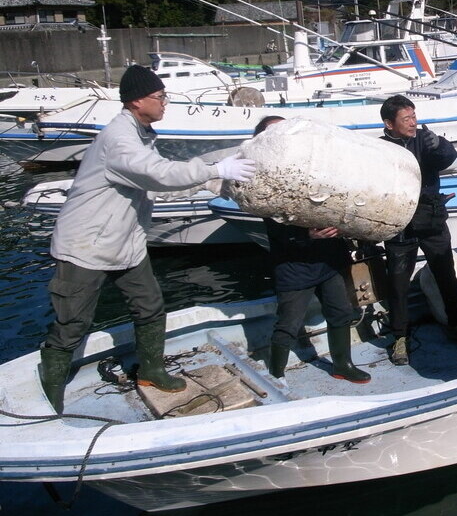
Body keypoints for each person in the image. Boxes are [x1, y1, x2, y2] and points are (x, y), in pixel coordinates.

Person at [39, 64, 256, 414]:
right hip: (87, 245)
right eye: (160, 97)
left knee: (150, 306)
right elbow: (156, 172)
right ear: (138, 101)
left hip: (125, 242)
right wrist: (215, 169)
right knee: (73, 323)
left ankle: (151, 370)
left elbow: (157, 179)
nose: (165, 103)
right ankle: (51, 394)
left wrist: (213, 180)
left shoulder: (140, 134)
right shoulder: (119, 139)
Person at [252, 116, 370, 384]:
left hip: (328, 261)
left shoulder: (316, 166)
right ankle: (276, 374)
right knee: (289, 324)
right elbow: (275, 230)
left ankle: (343, 364)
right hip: (293, 267)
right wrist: (307, 235)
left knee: (340, 312)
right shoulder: (263, 181)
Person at [379, 94, 457, 366]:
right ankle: (400, 336)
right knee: (398, 284)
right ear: (389, 124)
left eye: (414, 116)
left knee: (445, 275)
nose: (413, 122)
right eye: (406, 118)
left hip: (432, 221)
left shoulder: (424, 139)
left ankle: (456, 325)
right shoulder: (380, 149)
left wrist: (442, 145)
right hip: (400, 225)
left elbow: (447, 156)